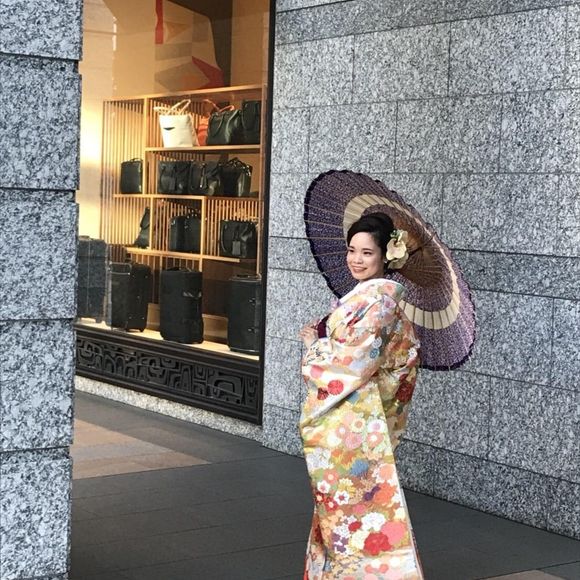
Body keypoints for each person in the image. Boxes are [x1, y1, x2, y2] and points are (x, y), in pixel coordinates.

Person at [299, 212, 423, 579]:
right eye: (352, 250)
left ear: (386, 256)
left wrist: (315, 346)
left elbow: (349, 364)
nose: (356, 259)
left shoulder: (381, 304)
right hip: (356, 420)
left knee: (355, 509)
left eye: (367, 253)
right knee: (343, 509)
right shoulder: (366, 297)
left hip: (356, 425)